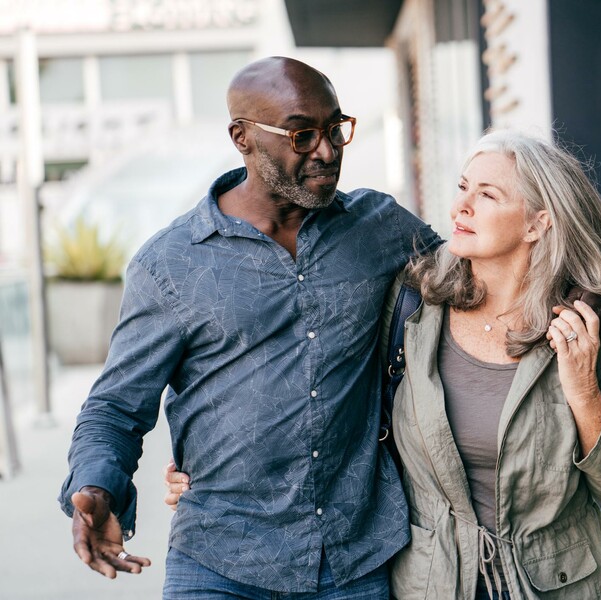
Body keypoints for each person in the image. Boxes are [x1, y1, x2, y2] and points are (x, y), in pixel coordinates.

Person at [169, 130, 601, 599]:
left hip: (556, 585)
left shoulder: (583, 334)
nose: (461, 207)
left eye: (488, 196)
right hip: (434, 583)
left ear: (538, 223)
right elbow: (314, 382)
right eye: (464, 188)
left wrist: (583, 393)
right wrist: (213, 462)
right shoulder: (412, 311)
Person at [58, 56, 440, 599]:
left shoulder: (379, 228)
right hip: (219, 562)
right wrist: (97, 485)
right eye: (301, 135)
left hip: (355, 559)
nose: (327, 151)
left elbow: (476, 283)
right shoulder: (171, 264)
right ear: (242, 137)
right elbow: (116, 406)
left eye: (336, 129)